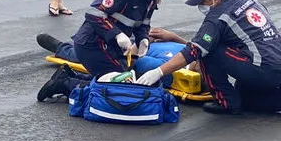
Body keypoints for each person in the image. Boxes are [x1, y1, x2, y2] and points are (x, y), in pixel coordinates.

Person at [136, 0, 281, 117]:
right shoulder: (247, 0)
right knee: (242, 94)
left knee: (208, 53)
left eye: (202, 2)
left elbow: (196, 50)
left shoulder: (217, 17)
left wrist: (158, 72)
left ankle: (226, 102)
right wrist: (175, 38)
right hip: (280, 66)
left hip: (261, 68)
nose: (200, 7)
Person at [37, 0, 175, 101]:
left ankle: (69, 77)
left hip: (111, 47)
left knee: (121, 78)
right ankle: (64, 84)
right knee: (119, 86)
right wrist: (117, 34)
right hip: (91, 44)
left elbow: (143, 24)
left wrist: (142, 39)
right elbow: (93, 13)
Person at [35, 30, 202, 90]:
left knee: (92, 54)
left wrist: (144, 40)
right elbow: (196, 47)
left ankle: (62, 49)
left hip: (129, 50)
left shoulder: (169, 70)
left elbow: (133, 60)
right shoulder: (194, 54)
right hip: (146, 42)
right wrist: (174, 37)